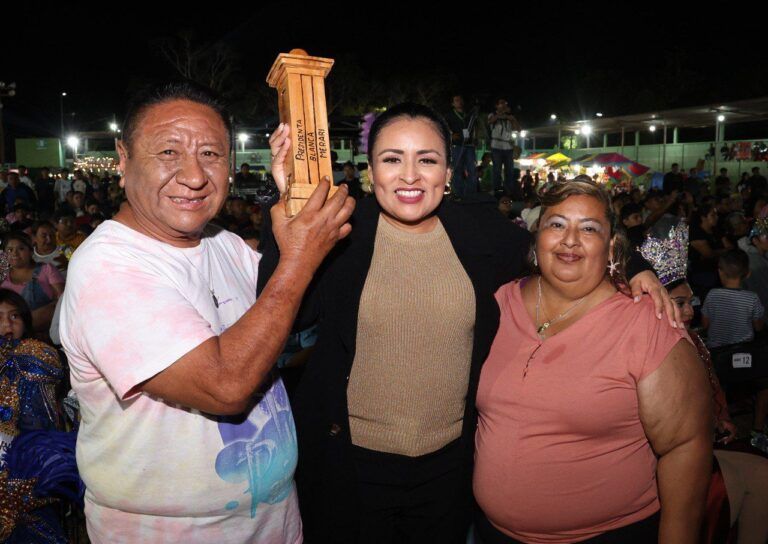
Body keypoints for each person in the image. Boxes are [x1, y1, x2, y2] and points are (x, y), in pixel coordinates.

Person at [262, 104, 676, 543]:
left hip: (447, 473)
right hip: (349, 467)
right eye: (392, 159)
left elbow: (559, 246)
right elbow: (291, 315)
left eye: (426, 159)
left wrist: (635, 268)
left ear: (448, 171)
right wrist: (290, 206)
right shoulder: (340, 228)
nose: (409, 175)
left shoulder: (478, 231)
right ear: (371, 169)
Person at [58, 81, 354, 543]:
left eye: (211, 154)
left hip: (273, 521)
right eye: (169, 152)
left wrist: (296, 202)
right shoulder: (107, 266)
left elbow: (297, 313)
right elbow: (225, 386)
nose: (194, 176)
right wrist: (297, 260)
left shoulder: (223, 243)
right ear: (123, 159)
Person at [473, 178, 711, 543]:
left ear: (612, 247)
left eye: (588, 229)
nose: (570, 240)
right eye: (557, 224)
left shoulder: (647, 323)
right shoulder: (499, 304)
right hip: (491, 533)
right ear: (536, 237)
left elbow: (686, 447)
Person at [642, 224, 768, 543]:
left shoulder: (693, 341)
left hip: (703, 445)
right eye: (679, 303)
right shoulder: (648, 353)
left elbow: (712, 392)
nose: (689, 312)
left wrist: (721, 419)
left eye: (691, 302)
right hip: (664, 466)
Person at [0, 287, 82, 543]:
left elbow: (41, 428)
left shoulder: (33, 357)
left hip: (27, 483)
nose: (7, 324)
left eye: (14, 316)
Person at [1, 232, 64, 335]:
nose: (14, 253)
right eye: (10, 250)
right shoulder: (3, 279)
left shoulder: (47, 269)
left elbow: (62, 301)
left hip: (51, 332)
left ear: (31, 251)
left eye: (21, 249)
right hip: (16, 335)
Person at [701, 249, 764, 349]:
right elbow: (758, 327)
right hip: (744, 349)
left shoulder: (712, 294)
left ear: (720, 272)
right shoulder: (752, 298)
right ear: (748, 273)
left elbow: (705, 324)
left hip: (717, 350)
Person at [487, 98, 521, 197]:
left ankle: (509, 192)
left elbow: (518, 129)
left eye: (505, 103)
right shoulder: (492, 115)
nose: (503, 105)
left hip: (508, 147)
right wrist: (501, 114)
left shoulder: (509, 117)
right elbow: (489, 122)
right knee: (497, 170)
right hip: (496, 146)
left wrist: (512, 119)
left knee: (509, 171)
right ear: (496, 106)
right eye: (501, 103)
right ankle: (497, 191)